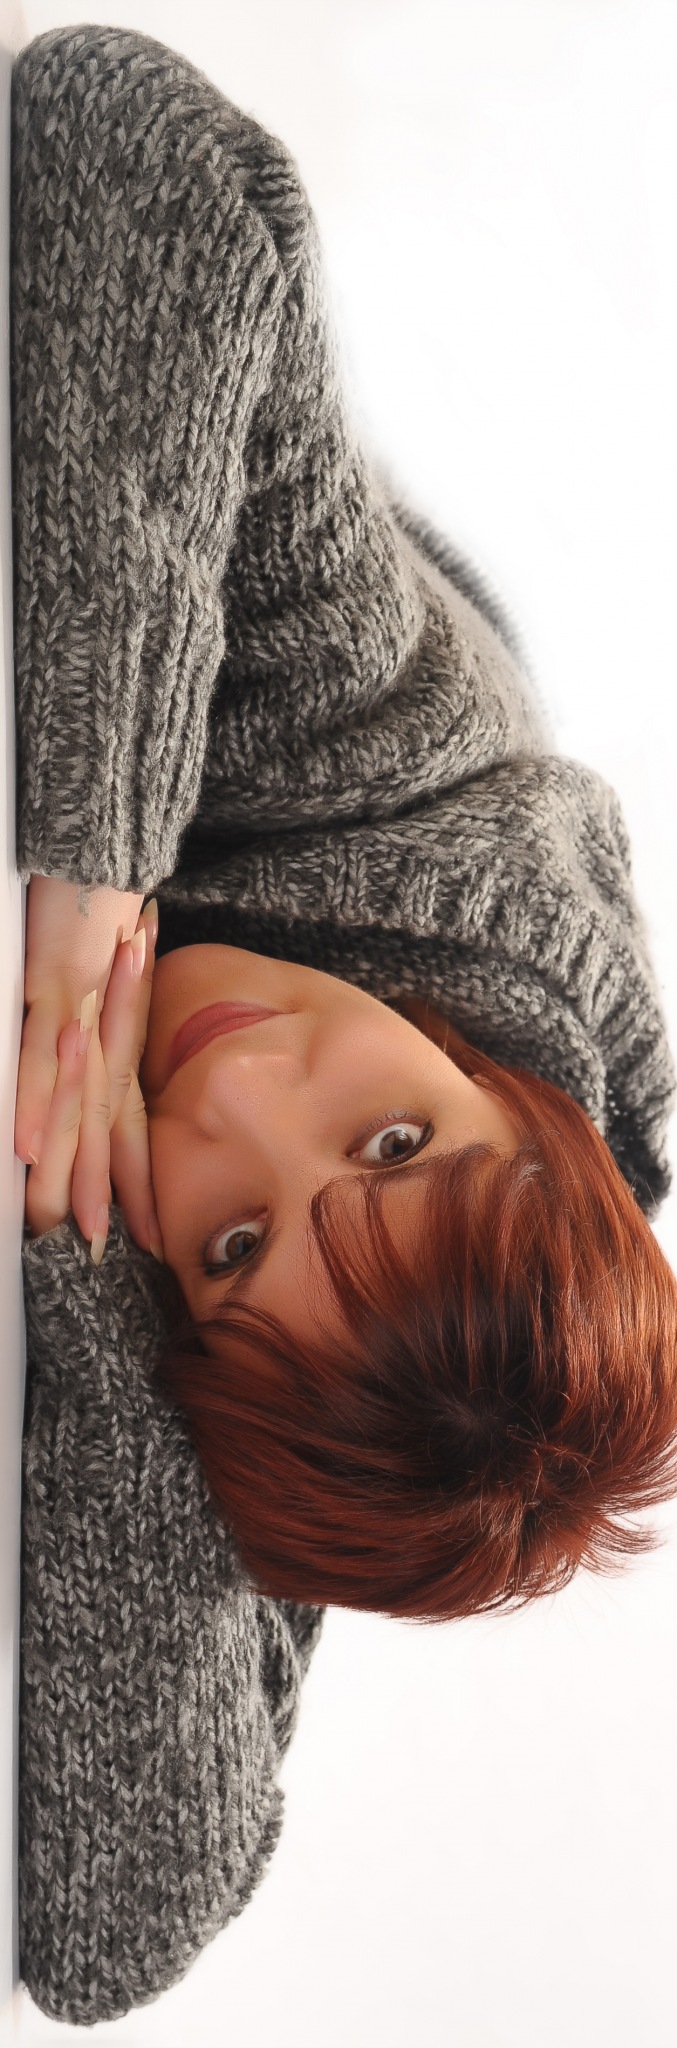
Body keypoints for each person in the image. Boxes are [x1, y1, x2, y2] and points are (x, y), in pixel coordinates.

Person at [11, 21, 677, 2027]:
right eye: (392, 1140)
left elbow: (111, 1936)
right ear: (503, 1091)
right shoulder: (390, 743)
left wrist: (92, 1304)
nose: (244, 1086)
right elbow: (120, 131)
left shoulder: (346, 1398)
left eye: (230, 1241)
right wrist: (91, 857)